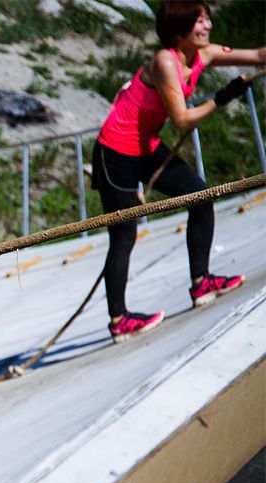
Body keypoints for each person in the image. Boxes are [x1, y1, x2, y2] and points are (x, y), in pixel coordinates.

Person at [92, 0, 264, 342]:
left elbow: (259, 56)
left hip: (148, 148)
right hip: (115, 154)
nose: (208, 27)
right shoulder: (164, 61)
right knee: (123, 235)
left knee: (201, 198)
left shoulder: (205, 55)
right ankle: (118, 320)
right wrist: (221, 98)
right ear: (180, 30)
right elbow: (183, 119)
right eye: (200, 22)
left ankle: (202, 283)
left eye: (207, 21)